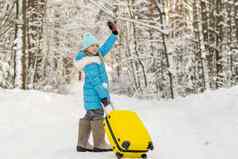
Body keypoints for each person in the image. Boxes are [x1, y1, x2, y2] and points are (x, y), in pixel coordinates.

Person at [68, 21, 118, 152]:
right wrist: (103, 97)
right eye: (92, 46)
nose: (95, 47)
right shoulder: (89, 62)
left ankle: (82, 143)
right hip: (95, 94)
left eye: (96, 45)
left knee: (89, 115)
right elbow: (96, 82)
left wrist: (114, 34)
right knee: (97, 115)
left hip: (91, 95)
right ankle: (99, 143)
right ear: (86, 49)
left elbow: (105, 47)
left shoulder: (95, 55)